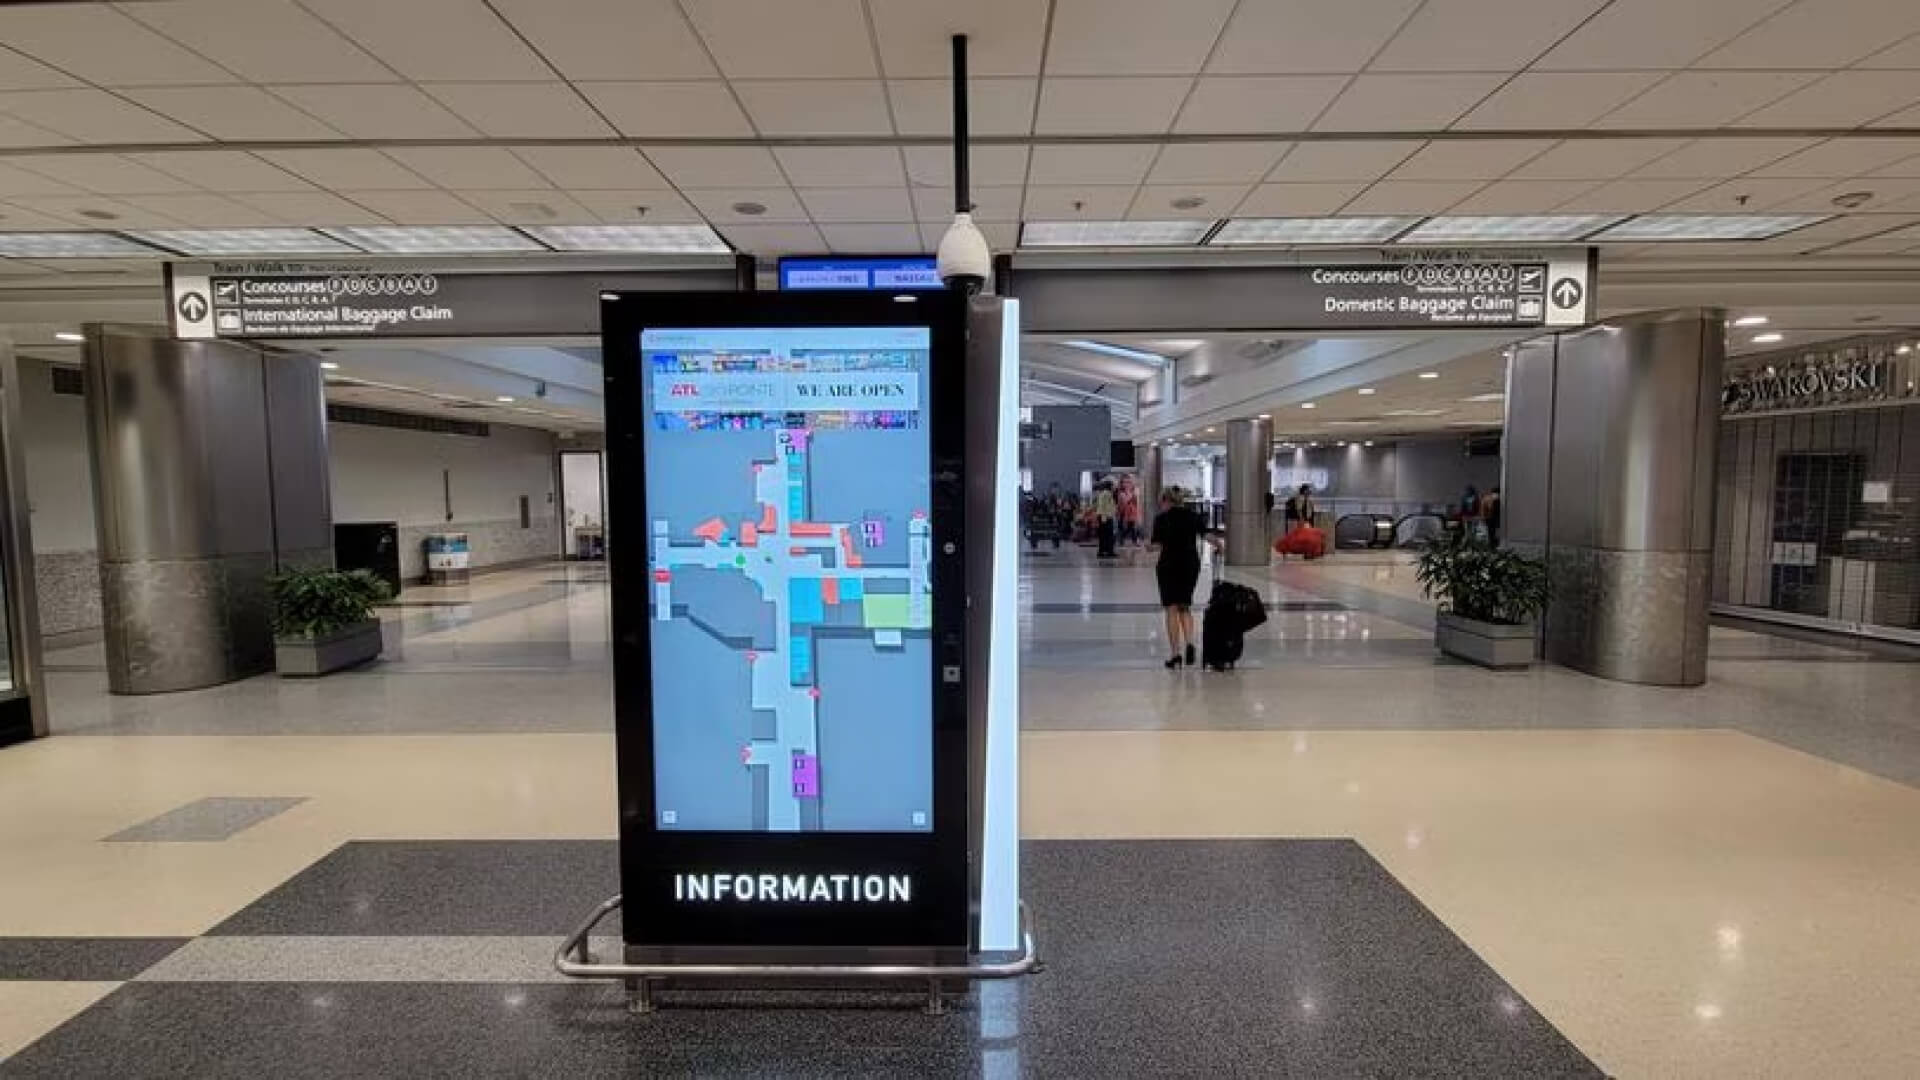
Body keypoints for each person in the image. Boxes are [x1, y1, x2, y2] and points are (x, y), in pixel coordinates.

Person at [1148, 486, 1219, 669]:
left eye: (1161, 501)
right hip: (1190, 564)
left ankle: (1175, 655)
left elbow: (1156, 545)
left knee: (1171, 608)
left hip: (1168, 565)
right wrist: (1219, 544)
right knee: (1184, 606)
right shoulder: (1192, 516)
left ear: (1166, 500)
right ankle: (1189, 642)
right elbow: (1207, 535)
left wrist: (1145, 548)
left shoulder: (1161, 519)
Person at [1092, 480, 1119, 558]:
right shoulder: (1106, 494)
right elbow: (1103, 506)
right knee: (1108, 535)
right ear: (1109, 486)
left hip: (1105, 517)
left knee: (1103, 535)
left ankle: (1103, 551)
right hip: (1106, 517)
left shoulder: (1104, 494)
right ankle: (1109, 551)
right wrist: (1104, 518)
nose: (1114, 487)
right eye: (1112, 486)